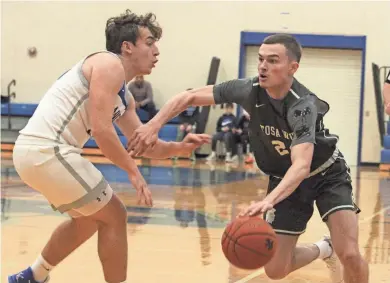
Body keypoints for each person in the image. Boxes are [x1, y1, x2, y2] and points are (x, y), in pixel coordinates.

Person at [127, 33, 369, 283]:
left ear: (292, 68)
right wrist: (153, 125)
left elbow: (301, 165)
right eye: (261, 59)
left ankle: (337, 249)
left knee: (349, 254)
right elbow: (187, 97)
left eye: (273, 61)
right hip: (283, 178)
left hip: (326, 175)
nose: (263, 66)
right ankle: (324, 249)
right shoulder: (248, 89)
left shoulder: (302, 106)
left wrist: (269, 200)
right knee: (275, 270)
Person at [8, 9, 209, 283]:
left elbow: (143, 144)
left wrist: (180, 147)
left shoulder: (123, 96)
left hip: (37, 154)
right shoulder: (107, 64)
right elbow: (102, 131)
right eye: (149, 42)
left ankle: (33, 276)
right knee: (115, 214)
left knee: (89, 220)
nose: (156, 51)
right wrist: (133, 172)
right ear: (127, 47)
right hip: (47, 150)